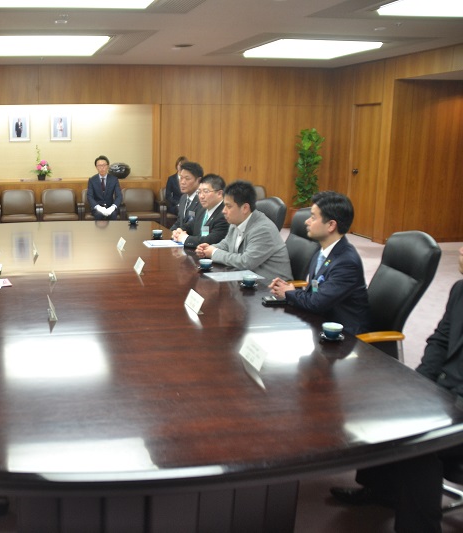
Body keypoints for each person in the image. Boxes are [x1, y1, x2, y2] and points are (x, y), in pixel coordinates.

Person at [328, 247, 463, 533]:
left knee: (418, 444)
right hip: (444, 390)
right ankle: (382, 490)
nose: (461, 250)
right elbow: (440, 341)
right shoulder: (460, 289)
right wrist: (421, 384)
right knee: (382, 401)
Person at [268, 191, 370, 334]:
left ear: (331, 225)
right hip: (320, 322)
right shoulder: (321, 252)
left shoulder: (346, 263)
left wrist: (290, 293)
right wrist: (289, 289)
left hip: (344, 335)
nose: (307, 221)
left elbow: (317, 302)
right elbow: (316, 292)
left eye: (313, 217)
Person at [196, 180, 292, 281]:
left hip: (270, 285)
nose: (223, 211)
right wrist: (209, 248)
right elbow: (226, 244)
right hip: (246, 279)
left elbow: (246, 262)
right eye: (224, 205)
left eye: (229, 206)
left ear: (245, 208)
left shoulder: (263, 229)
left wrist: (214, 252)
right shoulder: (236, 221)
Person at [172, 173, 229, 249]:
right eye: (199, 192)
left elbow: (210, 240)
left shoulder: (225, 214)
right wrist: (179, 232)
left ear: (219, 193)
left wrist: (185, 238)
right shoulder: (201, 209)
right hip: (196, 252)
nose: (201, 196)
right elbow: (190, 225)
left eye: (206, 191)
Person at [86, 155, 123, 221]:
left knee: (113, 214)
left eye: (104, 165)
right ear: (96, 167)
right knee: (99, 214)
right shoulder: (92, 180)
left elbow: (119, 196)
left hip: (110, 206)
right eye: (99, 166)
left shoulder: (114, 179)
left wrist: (113, 207)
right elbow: (89, 196)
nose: (102, 168)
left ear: (107, 166)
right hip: (97, 208)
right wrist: (98, 207)